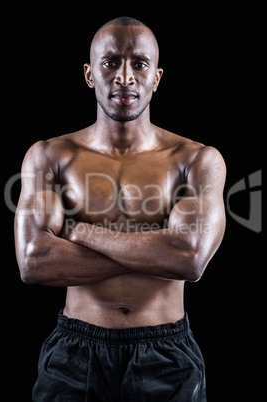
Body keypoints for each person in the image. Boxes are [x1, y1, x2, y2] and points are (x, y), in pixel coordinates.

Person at [15, 16, 226, 401]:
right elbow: (34, 262)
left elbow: (190, 259)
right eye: (110, 62)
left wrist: (82, 232)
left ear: (157, 77)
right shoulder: (50, 157)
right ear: (89, 73)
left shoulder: (196, 161)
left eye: (139, 64)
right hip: (74, 352)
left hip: (167, 353)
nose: (125, 77)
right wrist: (157, 251)